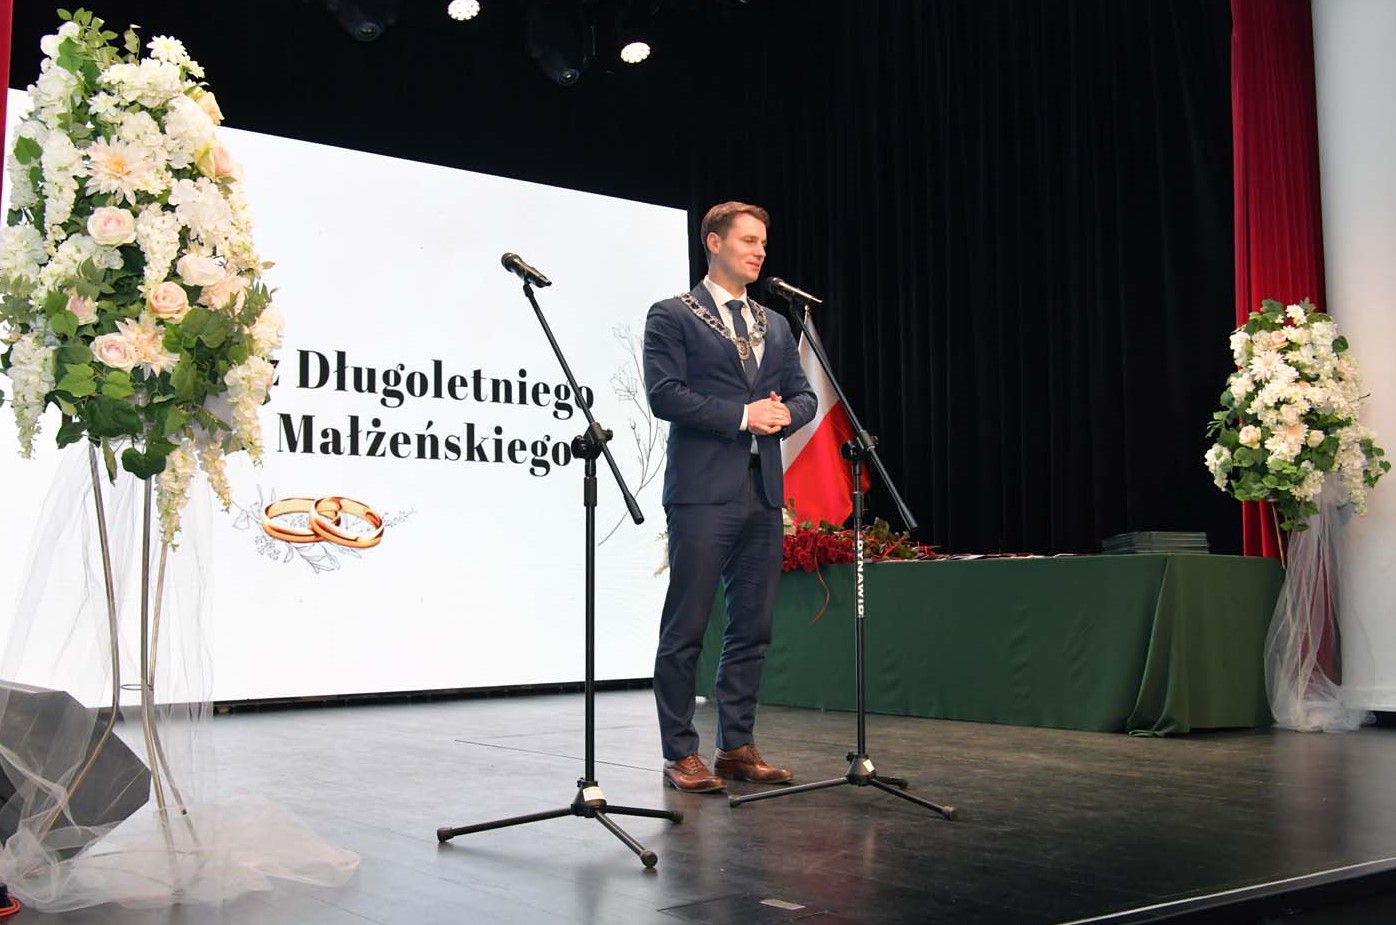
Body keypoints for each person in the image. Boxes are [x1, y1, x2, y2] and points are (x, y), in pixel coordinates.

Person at [642, 202, 817, 793]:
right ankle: (679, 752)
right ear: (713, 242)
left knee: (752, 628)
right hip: (701, 494)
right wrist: (744, 415)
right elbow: (665, 394)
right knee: (687, 625)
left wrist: (783, 416)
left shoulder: (776, 324)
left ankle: (736, 747)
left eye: (763, 242)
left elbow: (803, 397)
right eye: (748, 240)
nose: (760, 251)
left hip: (762, 494)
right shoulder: (672, 315)